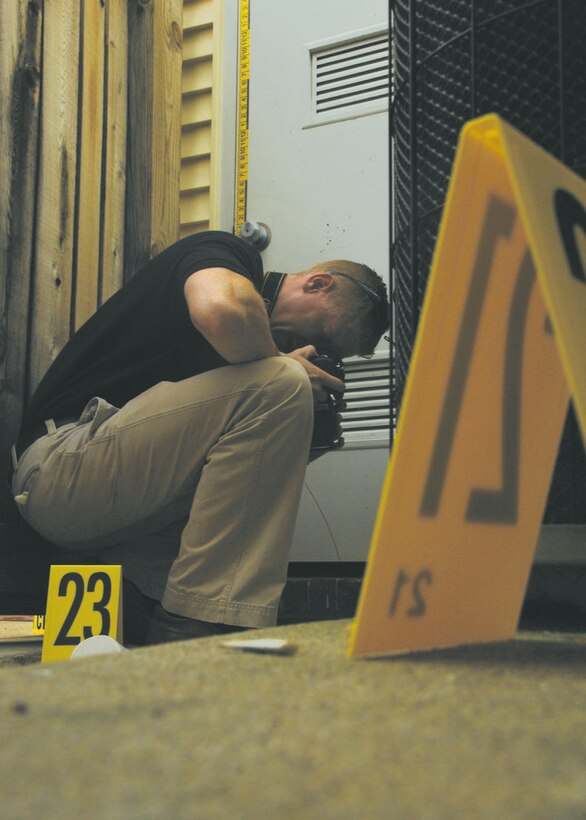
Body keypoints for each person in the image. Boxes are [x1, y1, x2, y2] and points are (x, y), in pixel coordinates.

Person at [10, 230, 389, 645]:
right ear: (318, 284)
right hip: (59, 467)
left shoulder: (248, 373)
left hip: (122, 518)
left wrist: (302, 442)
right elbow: (219, 311)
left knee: (278, 392)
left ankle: (192, 635)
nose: (315, 348)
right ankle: (197, 628)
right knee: (281, 383)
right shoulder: (228, 254)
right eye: (325, 334)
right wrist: (288, 373)